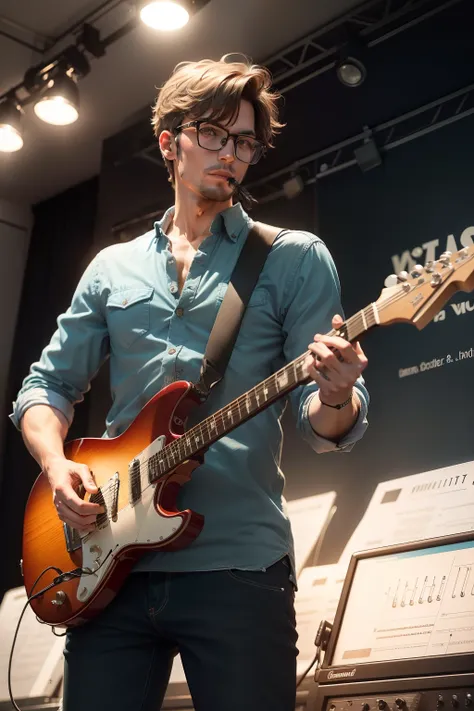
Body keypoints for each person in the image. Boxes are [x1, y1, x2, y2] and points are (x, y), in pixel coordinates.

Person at [11, 56, 369, 711]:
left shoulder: (292, 257)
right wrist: (56, 464)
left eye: (246, 141)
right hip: (109, 568)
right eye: (214, 134)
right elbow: (44, 387)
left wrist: (338, 392)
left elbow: (323, 420)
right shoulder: (111, 269)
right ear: (169, 142)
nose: (232, 153)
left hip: (238, 568)